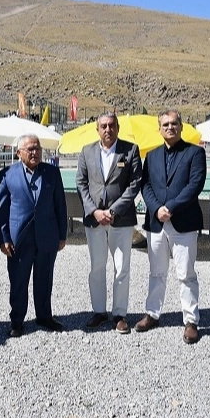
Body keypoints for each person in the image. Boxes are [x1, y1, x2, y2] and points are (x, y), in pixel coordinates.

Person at [136, 109, 206, 344]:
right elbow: (145, 185)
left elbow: (195, 184)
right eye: (165, 124)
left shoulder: (195, 153)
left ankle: (191, 320)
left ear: (181, 126)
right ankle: (153, 313)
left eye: (174, 123)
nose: (170, 127)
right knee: (157, 272)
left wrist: (171, 207)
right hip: (156, 222)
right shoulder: (152, 155)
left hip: (183, 222)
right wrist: (157, 208)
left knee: (185, 273)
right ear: (159, 129)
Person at [75, 112, 142, 333]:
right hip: (94, 220)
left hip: (121, 220)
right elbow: (81, 183)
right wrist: (94, 211)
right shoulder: (87, 151)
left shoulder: (130, 150)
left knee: (121, 268)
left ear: (118, 128)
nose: (107, 129)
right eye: (103, 126)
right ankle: (99, 311)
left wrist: (113, 211)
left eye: (111, 125)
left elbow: (134, 184)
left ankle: (119, 314)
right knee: (97, 266)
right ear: (97, 129)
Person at [0, 134, 67, 338]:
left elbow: (60, 205)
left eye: (38, 148)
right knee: (18, 280)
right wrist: (3, 238)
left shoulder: (52, 173)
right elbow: (2, 209)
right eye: (30, 149)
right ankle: (17, 321)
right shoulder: (8, 174)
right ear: (19, 153)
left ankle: (44, 316)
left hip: (47, 235)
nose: (35, 152)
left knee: (44, 278)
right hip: (19, 239)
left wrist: (62, 235)